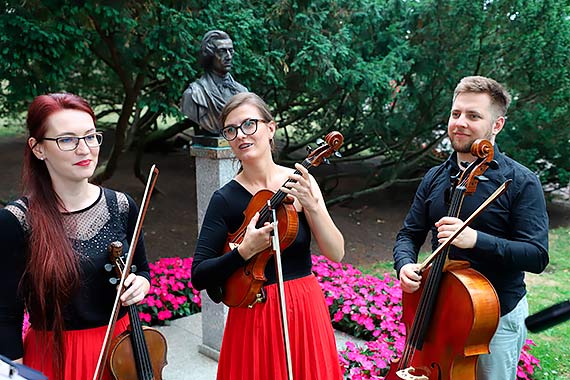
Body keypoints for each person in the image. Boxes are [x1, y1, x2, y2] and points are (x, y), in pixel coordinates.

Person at [393, 76, 549, 380]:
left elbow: (536, 255)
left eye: (473, 116)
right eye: (456, 114)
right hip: (438, 310)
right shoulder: (436, 177)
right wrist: (404, 264)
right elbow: (409, 234)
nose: (460, 123)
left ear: (497, 125)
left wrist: (475, 239)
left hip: (493, 319)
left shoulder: (520, 182)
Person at [191, 92, 345, 380]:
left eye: (249, 124)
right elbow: (199, 274)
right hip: (254, 315)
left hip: (304, 308)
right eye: (231, 130)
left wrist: (312, 205)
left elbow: (336, 252)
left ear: (270, 128)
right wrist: (243, 251)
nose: (240, 135)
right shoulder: (224, 199)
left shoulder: (302, 182)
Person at [0, 93, 151, 380]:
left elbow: (142, 269)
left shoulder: (122, 206)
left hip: (122, 354)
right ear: (38, 148)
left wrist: (140, 284)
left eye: (91, 136)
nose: (85, 149)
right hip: (55, 358)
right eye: (67, 140)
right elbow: (6, 316)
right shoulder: (16, 222)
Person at [181, 30, 248, 135]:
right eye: (222, 51)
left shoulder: (243, 92)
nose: (229, 57)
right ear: (209, 54)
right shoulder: (194, 94)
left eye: (231, 51)